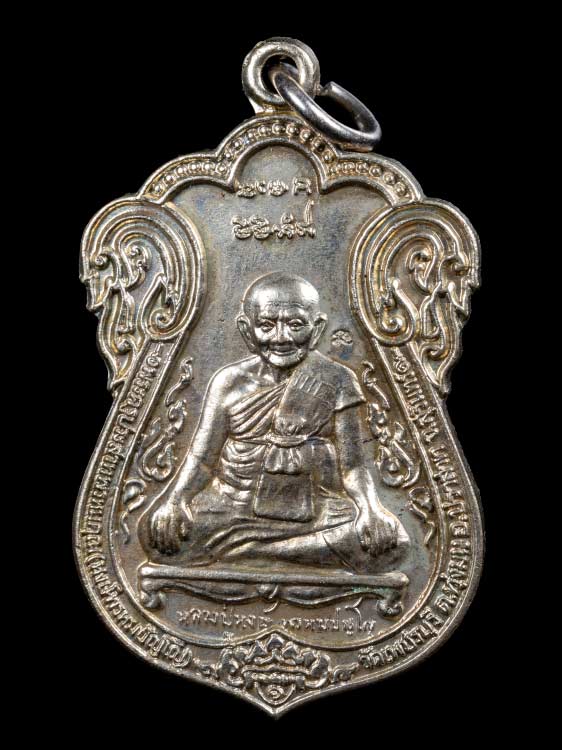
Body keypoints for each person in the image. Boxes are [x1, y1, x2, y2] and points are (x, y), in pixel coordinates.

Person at [146, 272, 409, 586]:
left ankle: (245, 554)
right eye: (267, 325)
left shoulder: (337, 379)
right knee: (158, 537)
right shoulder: (228, 382)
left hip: (316, 510)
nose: (281, 337)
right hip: (235, 507)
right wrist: (176, 500)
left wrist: (371, 508)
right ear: (247, 329)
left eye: (296, 325)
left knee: (392, 543)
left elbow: (352, 466)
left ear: (317, 328)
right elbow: (203, 460)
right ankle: (282, 555)